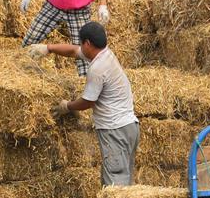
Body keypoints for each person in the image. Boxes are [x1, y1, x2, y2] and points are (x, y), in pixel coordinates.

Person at [27, 22, 139, 186]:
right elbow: (73, 51)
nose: (79, 46)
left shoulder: (98, 68)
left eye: (81, 42)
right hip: (130, 127)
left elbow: (88, 101)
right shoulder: (105, 54)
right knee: (125, 179)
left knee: (116, 184)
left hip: (115, 130)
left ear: (87, 43)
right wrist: (48, 48)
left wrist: (67, 106)